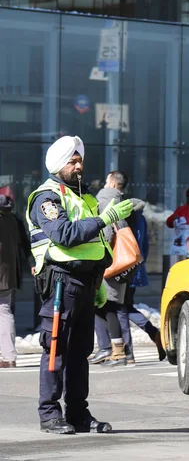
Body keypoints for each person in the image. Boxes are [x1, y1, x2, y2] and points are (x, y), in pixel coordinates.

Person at [26, 135, 133, 434]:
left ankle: (78, 413)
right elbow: (64, 234)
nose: (78, 165)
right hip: (61, 282)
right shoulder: (46, 197)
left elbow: (95, 244)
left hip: (86, 283)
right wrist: (105, 218)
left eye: (79, 160)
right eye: (72, 161)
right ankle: (49, 414)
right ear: (59, 165)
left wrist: (99, 280)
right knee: (56, 350)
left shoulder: (84, 198)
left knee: (80, 353)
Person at [94, 171, 144, 367]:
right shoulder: (126, 202)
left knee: (108, 306)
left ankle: (117, 352)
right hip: (123, 262)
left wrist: (100, 258)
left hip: (110, 262)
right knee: (108, 306)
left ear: (113, 184)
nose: (104, 185)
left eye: (106, 181)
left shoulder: (106, 198)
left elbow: (106, 231)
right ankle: (114, 350)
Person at [0, 195, 22, 368]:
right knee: (5, 313)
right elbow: (24, 243)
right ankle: (9, 357)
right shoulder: (13, 219)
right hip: (7, 276)